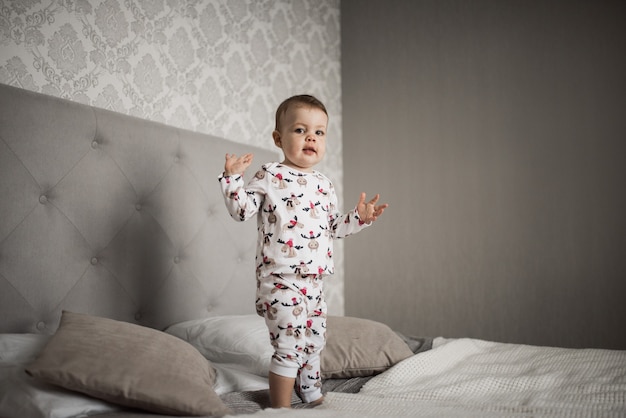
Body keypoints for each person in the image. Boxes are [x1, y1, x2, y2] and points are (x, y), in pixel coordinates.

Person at [218, 94, 387, 408]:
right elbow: (242, 211)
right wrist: (232, 180)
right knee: (290, 343)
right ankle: (280, 408)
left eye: (319, 132)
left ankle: (313, 399)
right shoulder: (269, 175)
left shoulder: (324, 184)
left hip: (315, 282)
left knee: (314, 342)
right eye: (300, 130)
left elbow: (333, 228)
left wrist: (359, 218)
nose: (311, 137)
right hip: (279, 279)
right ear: (278, 138)